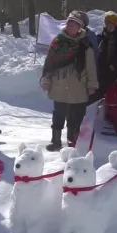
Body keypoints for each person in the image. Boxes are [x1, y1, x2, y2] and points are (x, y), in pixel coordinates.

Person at [40, 12, 98, 151]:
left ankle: (72, 141)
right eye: (69, 23)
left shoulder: (85, 46)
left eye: (74, 24)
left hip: (78, 86)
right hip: (59, 84)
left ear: (79, 27)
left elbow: (91, 67)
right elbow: (49, 63)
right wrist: (46, 79)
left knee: (76, 116)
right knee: (58, 113)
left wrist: (92, 85)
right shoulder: (58, 42)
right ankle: (55, 141)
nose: (70, 25)